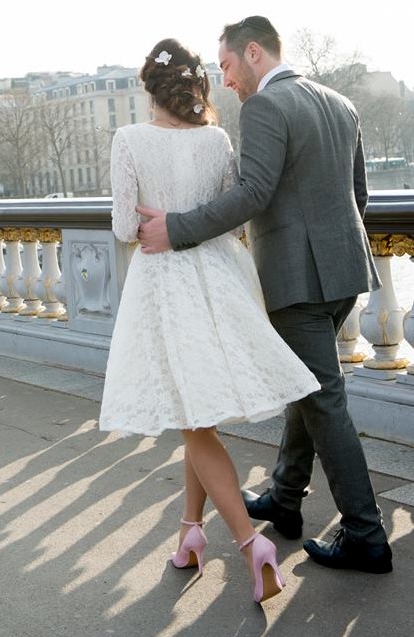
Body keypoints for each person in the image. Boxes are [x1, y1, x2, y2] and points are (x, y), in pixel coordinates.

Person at [136, 16, 393, 574]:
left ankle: (366, 535)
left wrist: (176, 228)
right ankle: (284, 497)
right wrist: (337, 255)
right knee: (309, 387)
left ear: (254, 53)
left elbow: (252, 192)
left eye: (226, 65)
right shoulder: (338, 101)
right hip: (346, 272)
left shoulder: (266, 107)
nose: (224, 80)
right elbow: (359, 195)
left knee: (324, 402)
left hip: (297, 280)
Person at [98, 37, 321, 603]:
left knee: (193, 422)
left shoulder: (128, 139)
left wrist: (160, 219)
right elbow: (228, 213)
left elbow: (126, 227)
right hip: (219, 278)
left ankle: (252, 547)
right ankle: (190, 533)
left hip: (165, 285)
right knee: (196, 414)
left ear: (152, 89)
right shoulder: (217, 138)